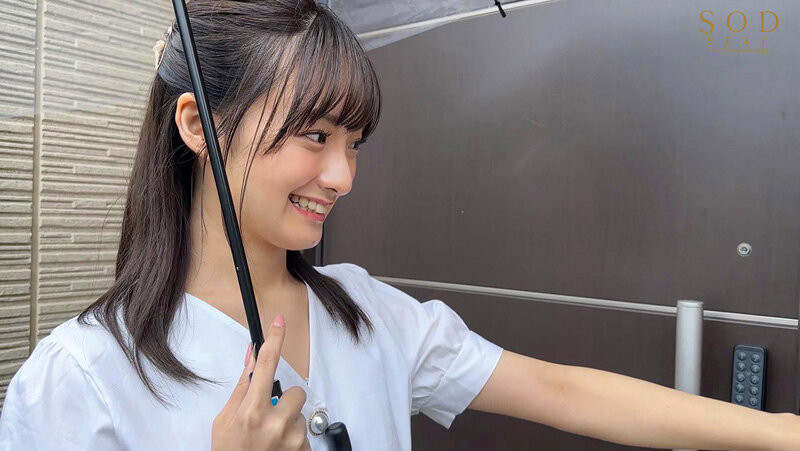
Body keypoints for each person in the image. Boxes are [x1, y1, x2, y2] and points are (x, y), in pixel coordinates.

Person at [1, 1, 798, 450]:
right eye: (314, 135)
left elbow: (562, 389)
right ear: (196, 124)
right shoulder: (81, 378)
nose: (342, 176)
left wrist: (782, 431)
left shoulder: (370, 313)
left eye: (353, 143)